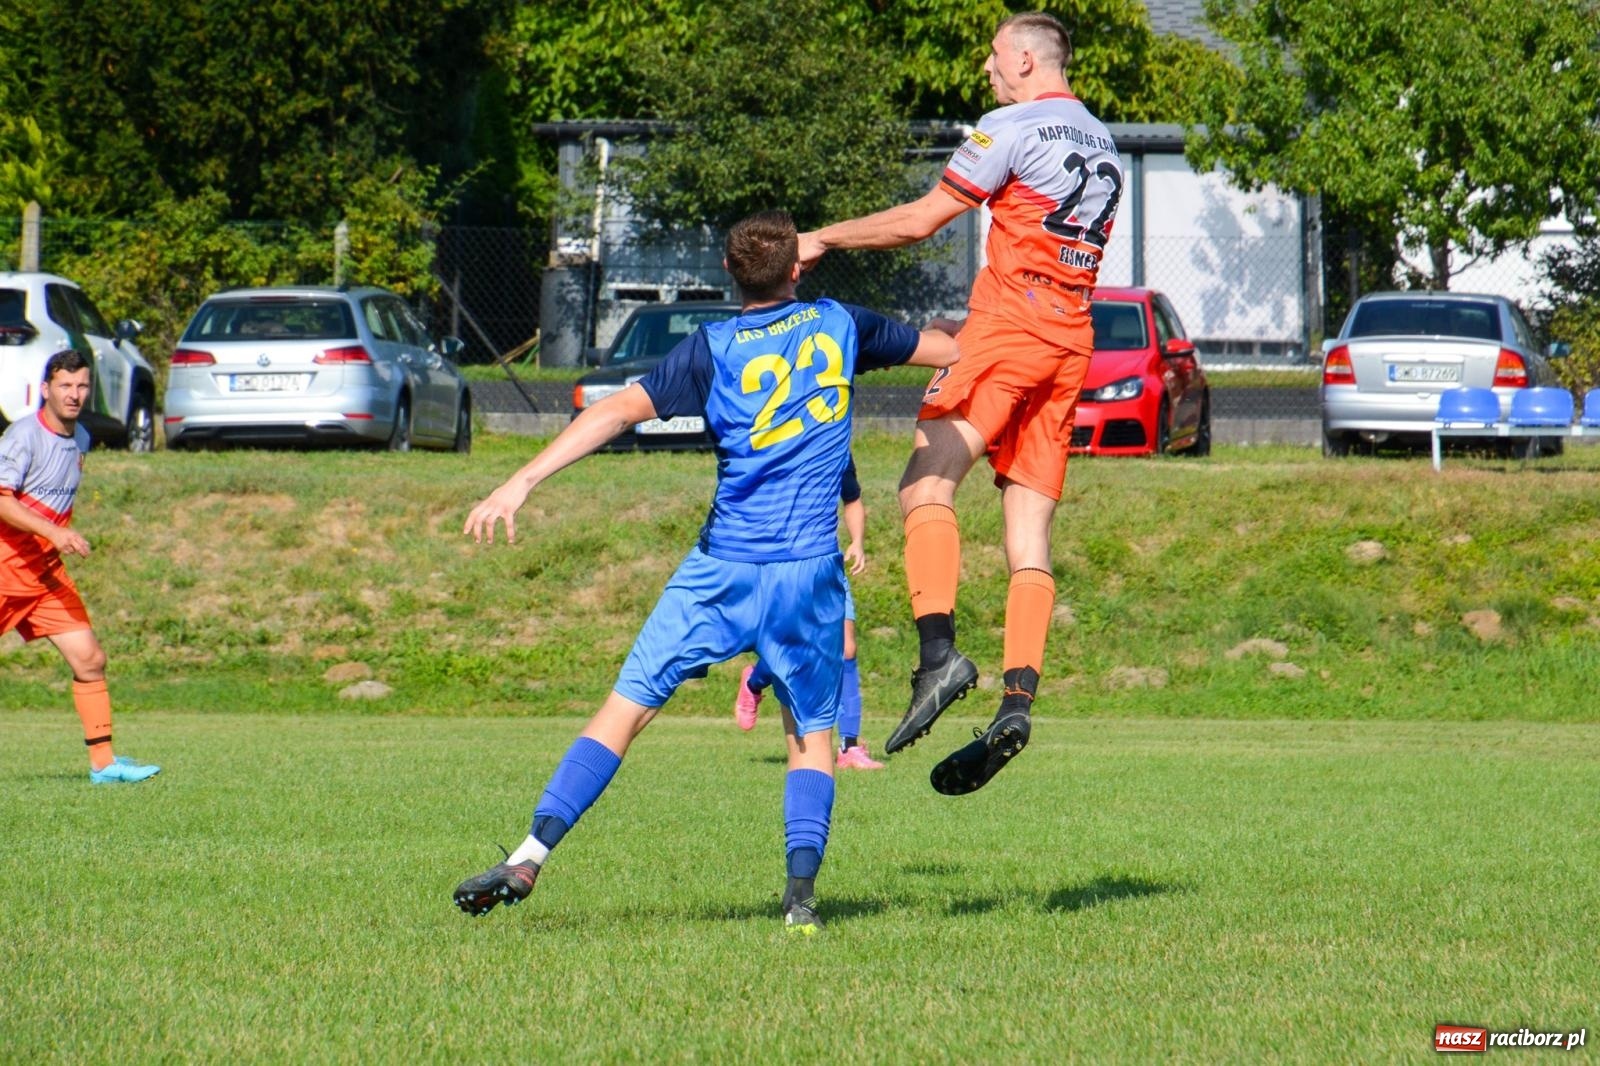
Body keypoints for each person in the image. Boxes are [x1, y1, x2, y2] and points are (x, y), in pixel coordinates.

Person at [452, 210, 958, 932]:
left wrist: (521, 481)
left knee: (623, 712)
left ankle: (530, 855)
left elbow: (617, 412)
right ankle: (800, 903)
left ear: (728, 275)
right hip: (807, 573)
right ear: (796, 268)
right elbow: (948, 350)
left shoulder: (711, 347)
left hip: (720, 570)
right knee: (810, 739)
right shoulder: (842, 323)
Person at [798, 11, 1122, 796]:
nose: (984, 67)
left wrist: (824, 238)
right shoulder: (1104, 142)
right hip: (1071, 338)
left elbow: (919, 222)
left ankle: (938, 659)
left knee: (924, 481)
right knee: (1029, 533)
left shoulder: (1008, 125)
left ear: (1021, 58)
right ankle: (1017, 699)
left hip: (1010, 327)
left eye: (990, 54)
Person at [0, 350, 160, 784]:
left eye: (82, 386)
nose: (74, 394)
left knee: (90, 658)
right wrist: (54, 533)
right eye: (65, 386)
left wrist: (52, 540)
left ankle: (104, 766)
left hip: (45, 574)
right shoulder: (22, 436)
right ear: (46, 389)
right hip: (5, 570)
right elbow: (3, 501)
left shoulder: (82, 438)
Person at [732, 454, 884, 771]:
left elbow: (852, 498)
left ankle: (850, 747)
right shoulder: (781, 446)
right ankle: (754, 682)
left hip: (827, 567)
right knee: (787, 650)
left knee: (846, 647)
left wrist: (857, 542)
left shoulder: (836, 447)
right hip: (782, 567)